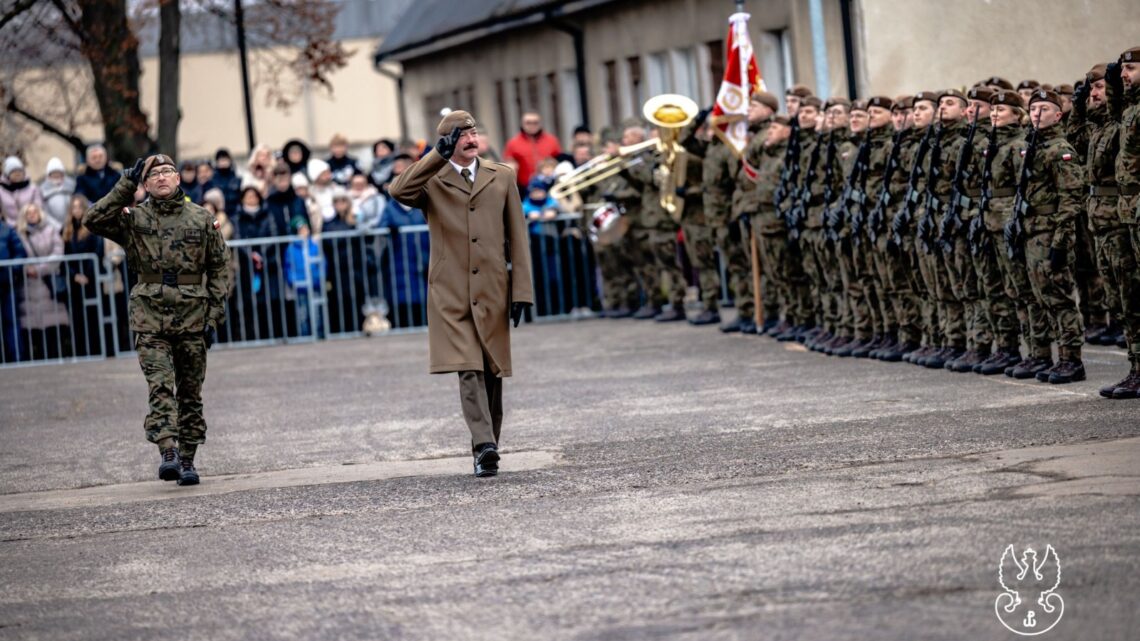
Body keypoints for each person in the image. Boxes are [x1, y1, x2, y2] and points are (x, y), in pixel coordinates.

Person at [388, 110, 533, 478]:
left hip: (493, 288)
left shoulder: (501, 176)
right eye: (461, 135)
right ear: (449, 142)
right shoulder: (432, 179)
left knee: (493, 371)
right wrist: (436, 155)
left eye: (473, 133)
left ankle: (487, 448)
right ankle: (484, 444)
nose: (470, 139)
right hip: (450, 291)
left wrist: (522, 291)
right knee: (468, 368)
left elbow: (518, 236)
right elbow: (398, 190)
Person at [83, 153, 228, 486]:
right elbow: (92, 219)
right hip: (150, 316)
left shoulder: (201, 218)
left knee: (190, 393)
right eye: (154, 174)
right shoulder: (134, 218)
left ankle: (188, 460)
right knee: (160, 385)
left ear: (178, 179)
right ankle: (168, 451)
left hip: (192, 316)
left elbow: (220, 266)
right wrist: (125, 184)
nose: (162, 177)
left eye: (168, 171)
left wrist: (214, 315)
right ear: (146, 184)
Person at [378, 194, 430, 328]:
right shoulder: (390, 208)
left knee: (423, 294)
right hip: (398, 259)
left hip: (423, 258)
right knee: (400, 295)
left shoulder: (420, 206)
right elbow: (381, 227)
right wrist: (389, 229)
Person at [61, 194, 103, 357]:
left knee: (92, 318)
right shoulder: (67, 231)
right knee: (77, 319)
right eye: (74, 207)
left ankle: (96, 351)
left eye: (80, 207)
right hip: (75, 282)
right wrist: (74, 275)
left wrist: (87, 275)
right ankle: (80, 352)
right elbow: (65, 258)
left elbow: (96, 254)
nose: (77, 210)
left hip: (91, 281)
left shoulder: (93, 229)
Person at [503, 110, 563, 191]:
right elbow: (508, 167)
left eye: (535, 122)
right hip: (525, 188)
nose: (532, 125)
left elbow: (559, 162)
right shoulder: (513, 143)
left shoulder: (552, 140)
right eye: (528, 123)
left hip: (551, 185)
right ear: (522, 124)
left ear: (540, 123)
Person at [285, 216, 324, 337]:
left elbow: (322, 262)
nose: (304, 232)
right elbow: (288, 266)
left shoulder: (314, 245)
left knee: (316, 312)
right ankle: (305, 335)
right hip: (300, 285)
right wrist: (293, 281)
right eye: (301, 230)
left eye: (305, 228)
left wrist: (319, 277)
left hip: (314, 283)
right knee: (302, 313)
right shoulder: (291, 248)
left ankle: (318, 334)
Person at [0, 211, 27, 363]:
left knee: (12, 322)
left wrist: (11, 268)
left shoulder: (7, 229)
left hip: (6, 283)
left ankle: (17, 358)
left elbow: (20, 253)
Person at [1, 156, 44, 227]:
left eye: (20, 171)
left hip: (32, 226)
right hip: (10, 227)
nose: (17, 174)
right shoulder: (1, 191)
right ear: (7, 174)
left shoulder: (33, 188)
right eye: (13, 171)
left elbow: (39, 207)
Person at [39, 157, 76, 226]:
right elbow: (44, 211)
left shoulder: (71, 186)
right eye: (53, 173)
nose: (56, 175)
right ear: (49, 175)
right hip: (52, 227)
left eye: (58, 173)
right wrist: (57, 226)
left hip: (71, 224)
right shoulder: (43, 191)